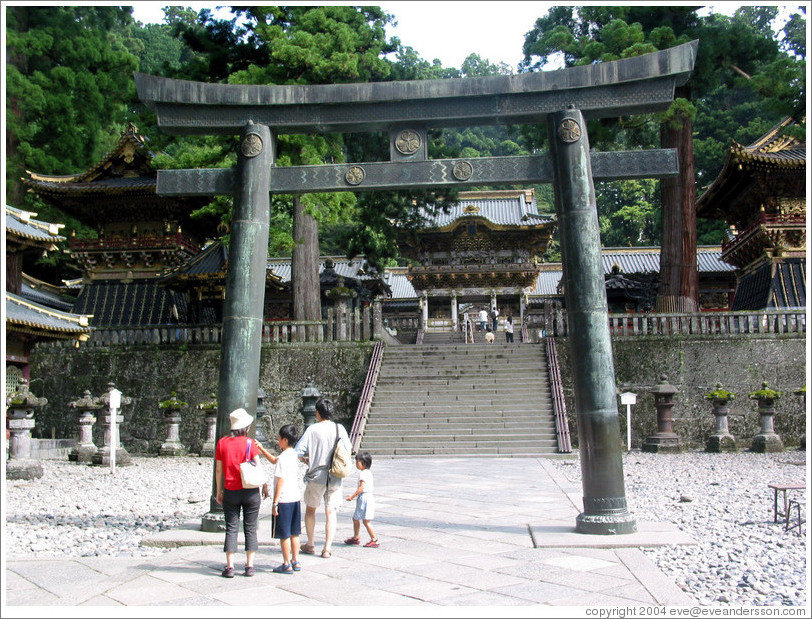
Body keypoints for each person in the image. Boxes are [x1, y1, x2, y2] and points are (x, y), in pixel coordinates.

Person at [294, 397, 351, 559]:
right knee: (331, 511)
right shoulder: (340, 429)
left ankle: (310, 543)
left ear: (318, 413)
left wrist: (306, 459)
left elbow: (298, 451)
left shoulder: (312, 430)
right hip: (334, 475)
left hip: (316, 475)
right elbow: (348, 449)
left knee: (311, 509)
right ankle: (327, 548)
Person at [214, 408, 262, 578]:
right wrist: (264, 486)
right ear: (246, 427)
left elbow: (219, 470)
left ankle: (230, 566)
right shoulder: (250, 443)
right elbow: (258, 466)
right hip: (250, 491)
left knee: (231, 527)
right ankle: (249, 565)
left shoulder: (222, 443)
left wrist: (219, 490)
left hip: (231, 490)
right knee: (250, 528)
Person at [261, 424, 302, 574]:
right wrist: (261, 448)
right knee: (294, 532)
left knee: (284, 533)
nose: (277, 439)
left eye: (279, 437)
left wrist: (275, 502)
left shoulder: (284, 458)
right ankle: (295, 561)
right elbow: (273, 460)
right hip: (295, 497)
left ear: (284, 440)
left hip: (284, 499)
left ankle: (286, 563)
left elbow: (280, 480)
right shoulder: (292, 454)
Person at [344, 451, 379, 548]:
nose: (356, 464)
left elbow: (361, 488)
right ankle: (356, 537)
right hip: (368, 497)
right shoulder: (368, 473)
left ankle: (374, 539)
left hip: (364, 498)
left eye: (357, 462)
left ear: (363, 463)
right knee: (356, 518)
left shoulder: (363, 474)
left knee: (365, 521)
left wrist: (352, 496)